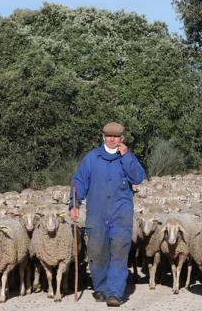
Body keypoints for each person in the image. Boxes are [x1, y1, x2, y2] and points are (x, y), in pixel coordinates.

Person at [69, 122, 146, 307]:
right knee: (97, 252)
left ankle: (115, 293)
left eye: (116, 137)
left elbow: (138, 177)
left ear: (122, 139)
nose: (112, 139)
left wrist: (126, 155)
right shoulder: (92, 158)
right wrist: (74, 203)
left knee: (119, 252)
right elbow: (79, 181)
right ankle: (101, 288)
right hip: (96, 213)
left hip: (121, 214)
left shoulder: (127, 157)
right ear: (103, 137)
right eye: (108, 136)